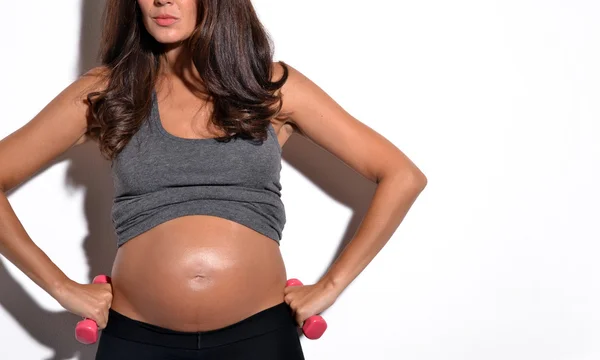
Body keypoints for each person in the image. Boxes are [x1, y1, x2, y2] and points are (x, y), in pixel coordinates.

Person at [0, 0, 427, 359]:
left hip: (259, 338)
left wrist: (331, 286)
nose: (163, 0)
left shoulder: (267, 85)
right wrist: (60, 288)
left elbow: (401, 175)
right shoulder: (109, 90)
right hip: (137, 339)